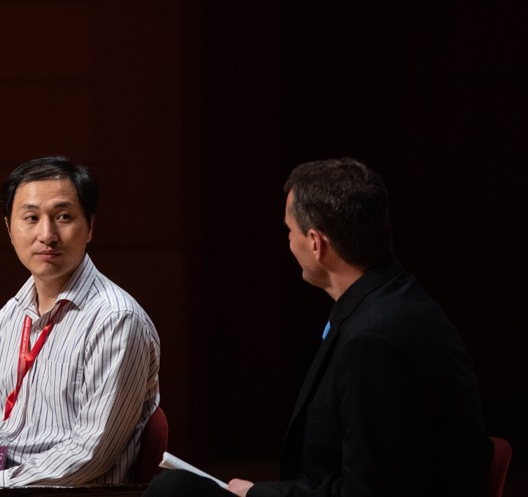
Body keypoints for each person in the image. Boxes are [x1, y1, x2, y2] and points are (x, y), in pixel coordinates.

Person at [145, 157, 492, 497]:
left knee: (174, 490)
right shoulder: (392, 297)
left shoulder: (375, 339)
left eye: (289, 230)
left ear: (316, 243)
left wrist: (260, 493)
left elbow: (369, 491)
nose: (288, 241)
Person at [0, 156, 161, 497]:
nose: (47, 234)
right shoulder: (10, 315)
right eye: (31, 218)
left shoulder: (115, 319)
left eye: (64, 217)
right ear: (9, 228)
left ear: (90, 226)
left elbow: (91, 453)